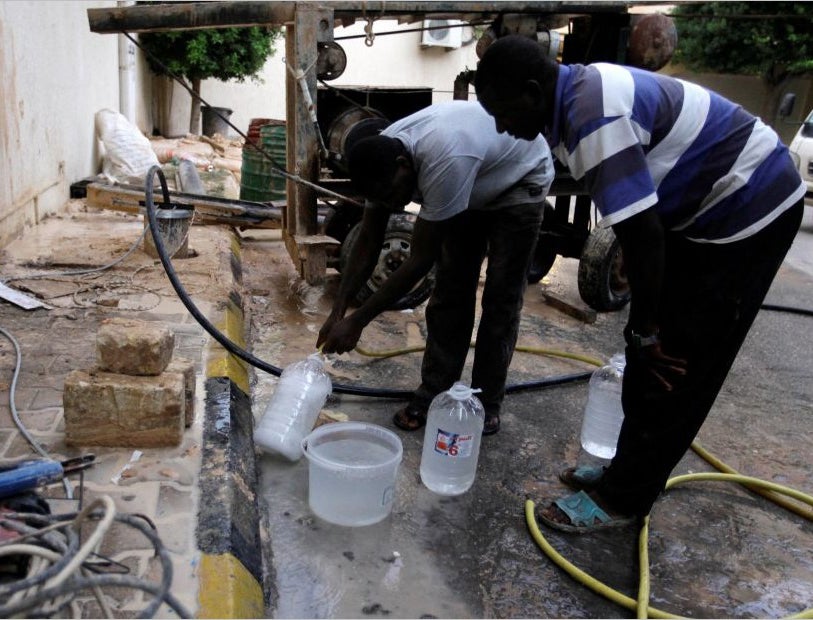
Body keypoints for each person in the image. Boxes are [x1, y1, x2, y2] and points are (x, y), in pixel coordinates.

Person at [474, 35, 806, 531]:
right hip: (706, 206)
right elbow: (638, 214)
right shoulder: (574, 97)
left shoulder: (591, 121)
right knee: (651, 353)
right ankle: (625, 471)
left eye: (501, 111)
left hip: (749, 208)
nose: (501, 125)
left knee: (676, 363)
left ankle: (623, 499)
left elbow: (645, 234)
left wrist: (645, 329)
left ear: (530, 91)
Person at [317, 100, 555, 436]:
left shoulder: (443, 159)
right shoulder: (380, 160)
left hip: (519, 180)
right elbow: (368, 240)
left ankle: (486, 403)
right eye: (381, 198)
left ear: (403, 164)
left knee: (500, 299)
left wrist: (358, 321)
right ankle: (434, 393)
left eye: (392, 194)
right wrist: (338, 309)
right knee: (451, 291)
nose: (393, 204)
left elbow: (419, 261)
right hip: (471, 178)